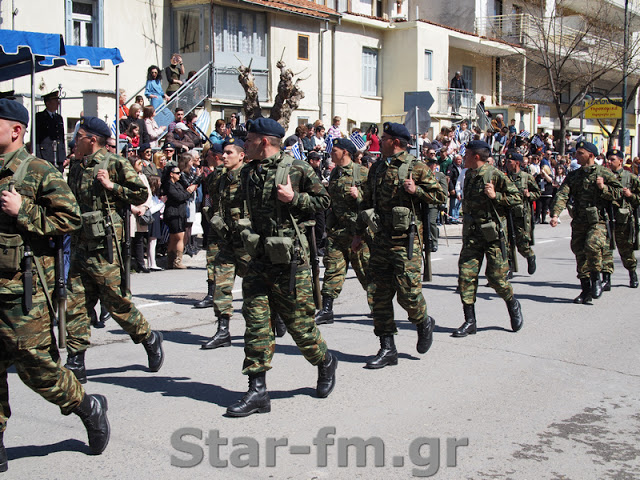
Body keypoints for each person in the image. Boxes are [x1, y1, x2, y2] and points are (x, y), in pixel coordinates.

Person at [0, 100, 110, 470]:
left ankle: (85, 405)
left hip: (22, 290)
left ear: (16, 130)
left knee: (36, 368)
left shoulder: (38, 171)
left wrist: (24, 211)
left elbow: (70, 219)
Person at [226, 117, 337, 417]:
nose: (243, 144)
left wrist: (293, 198)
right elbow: (235, 208)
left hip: (290, 264)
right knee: (256, 323)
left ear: (264, 142)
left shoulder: (298, 169)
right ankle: (257, 390)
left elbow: (324, 202)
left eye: (248, 139)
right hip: (259, 260)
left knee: (301, 327)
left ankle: (325, 361)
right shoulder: (247, 173)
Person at [64, 117, 165, 383]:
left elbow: (141, 195)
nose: (75, 141)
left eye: (80, 136)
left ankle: (149, 337)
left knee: (116, 304)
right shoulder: (76, 166)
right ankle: (75, 360)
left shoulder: (115, 163)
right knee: (76, 304)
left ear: (92, 140)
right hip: (79, 244)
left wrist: (111, 186)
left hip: (105, 247)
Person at [352, 122, 445, 368]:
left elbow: (440, 196)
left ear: (395, 141)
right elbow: (366, 202)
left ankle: (423, 321)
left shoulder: (416, 167)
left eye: (383, 138)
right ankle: (387, 348)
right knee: (378, 295)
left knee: (408, 294)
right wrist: (359, 233)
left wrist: (416, 191)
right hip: (379, 240)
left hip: (406, 243)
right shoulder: (377, 168)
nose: (378, 142)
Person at [452, 140, 524, 337]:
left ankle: (512, 303)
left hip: (492, 236)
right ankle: (470, 321)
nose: (463, 157)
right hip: (472, 236)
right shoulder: (468, 175)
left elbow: (518, 200)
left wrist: (496, 197)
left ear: (476, 156)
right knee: (466, 277)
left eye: (466, 154)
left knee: (496, 278)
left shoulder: (494, 174)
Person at [549, 141, 623, 303]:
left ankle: (596, 278)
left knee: (592, 245)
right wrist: (555, 214)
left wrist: (603, 188)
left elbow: (619, 193)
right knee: (579, 252)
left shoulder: (604, 173)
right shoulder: (574, 176)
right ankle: (585, 290)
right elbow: (562, 194)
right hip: (579, 220)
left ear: (591, 155)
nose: (576, 156)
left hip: (599, 221)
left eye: (580, 153)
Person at [315, 138, 372, 325]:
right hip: (338, 231)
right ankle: (327, 310)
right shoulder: (335, 174)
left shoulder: (363, 173)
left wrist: (359, 195)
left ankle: (378, 307)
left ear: (346, 153)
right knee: (332, 269)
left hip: (359, 233)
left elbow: (375, 202)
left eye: (335, 150)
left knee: (366, 272)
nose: (331, 154)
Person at [201, 137, 251, 349]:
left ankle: (272, 318)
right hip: (227, 241)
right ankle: (223, 330)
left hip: (249, 243)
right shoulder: (217, 178)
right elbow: (212, 202)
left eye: (229, 152)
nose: (224, 155)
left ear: (241, 155)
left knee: (257, 287)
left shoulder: (251, 176)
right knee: (221, 286)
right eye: (223, 152)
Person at [601, 149, 640, 289]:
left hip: (623, 220)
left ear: (620, 161)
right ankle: (606, 278)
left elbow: (638, 199)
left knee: (626, 249)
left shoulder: (630, 178)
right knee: (606, 249)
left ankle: (632, 273)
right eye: (608, 160)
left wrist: (631, 195)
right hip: (606, 218)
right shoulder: (603, 177)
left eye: (613, 159)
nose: (610, 162)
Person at [194, 143, 224, 308]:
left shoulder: (234, 173)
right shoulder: (210, 174)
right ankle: (212, 294)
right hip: (213, 219)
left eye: (209, 155)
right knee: (212, 257)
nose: (206, 159)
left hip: (232, 224)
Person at [505, 151, 541, 274]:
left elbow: (538, 193)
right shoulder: (505, 177)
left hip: (521, 216)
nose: (507, 164)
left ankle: (530, 256)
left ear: (517, 163)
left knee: (522, 244)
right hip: (507, 214)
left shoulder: (526, 177)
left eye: (509, 162)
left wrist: (529, 194)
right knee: (506, 243)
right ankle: (508, 269)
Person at [163, 154, 198, 269]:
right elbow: (179, 196)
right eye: (177, 173)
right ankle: (177, 261)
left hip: (179, 212)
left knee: (175, 237)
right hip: (174, 213)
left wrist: (188, 191)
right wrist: (188, 192)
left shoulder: (178, 183)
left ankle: (172, 260)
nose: (179, 175)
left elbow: (184, 191)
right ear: (171, 174)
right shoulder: (169, 185)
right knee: (179, 237)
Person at [35, 90, 66, 172]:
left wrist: (63, 156)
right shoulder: (39, 117)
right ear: (48, 103)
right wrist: (38, 157)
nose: (58, 104)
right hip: (45, 154)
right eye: (55, 101)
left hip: (58, 155)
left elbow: (62, 138)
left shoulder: (59, 118)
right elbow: (36, 138)